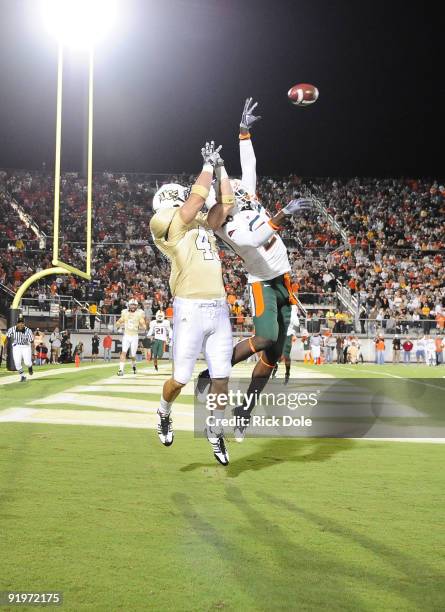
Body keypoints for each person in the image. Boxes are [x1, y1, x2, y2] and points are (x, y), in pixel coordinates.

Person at [196, 99, 314, 440]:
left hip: (284, 275)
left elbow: (250, 166)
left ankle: (245, 410)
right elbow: (252, 241)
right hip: (261, 280)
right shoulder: (223, 224)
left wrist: (243, 131)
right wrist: (281, 215)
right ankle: (213, 372)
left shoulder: (243, 191)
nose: (230, 183)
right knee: (264, 337)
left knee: (273, 357)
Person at [150, 141, 234, 465]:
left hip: (218, 307)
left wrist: (222, 167)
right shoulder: (164, 223)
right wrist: (209, 166)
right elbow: (196, 199)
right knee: (181, 378)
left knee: (222, 378)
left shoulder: (198, 223)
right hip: (190, 308)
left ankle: (214, 430)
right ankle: (163, 411)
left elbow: (226, 204)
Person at [115, 298, 146, 376]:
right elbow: (119, 321)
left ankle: (134, 365)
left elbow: (142, 322)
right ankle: (121, 370)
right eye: (131, 305)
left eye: (134, 305)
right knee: (123, 352)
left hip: (134, 336)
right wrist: (118, 325)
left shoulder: (139, 313)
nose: (133, 306)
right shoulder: (125, 313)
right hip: (126, 335)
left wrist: (144, 325)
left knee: (133, 355)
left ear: (136, 306)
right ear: (128, 305)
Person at [6, 315, 34, 382]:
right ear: (17, 323)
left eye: (22, 323)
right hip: (17, 347)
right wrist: (5, 348)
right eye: (19, 323)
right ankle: (23, 376)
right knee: (17, 363)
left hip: (26, 347)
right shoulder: (12, 329)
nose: (20, 324)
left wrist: (33, 352)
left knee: (27, 363)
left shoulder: (28, 330)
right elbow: (7, 338)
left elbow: (32, 342)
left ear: (24, 323)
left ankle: (30, 366)